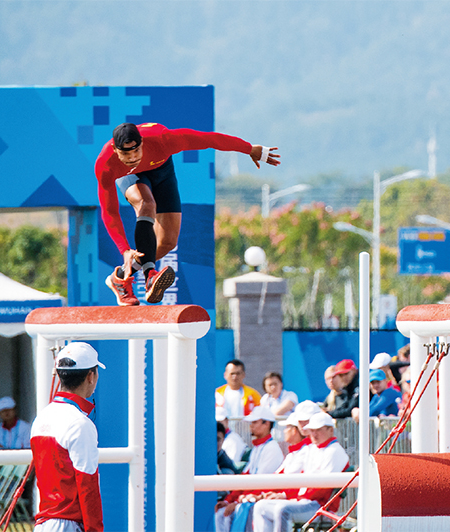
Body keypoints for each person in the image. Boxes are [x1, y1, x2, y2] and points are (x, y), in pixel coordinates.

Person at [98, 122, 281, 306]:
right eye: (125, 154)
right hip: (131, 178)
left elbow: (209, 139)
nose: (131, 159)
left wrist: (249, 149)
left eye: (135, 152)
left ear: (142, 142)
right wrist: (125, 250)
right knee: (146, 203)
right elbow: (109, 210)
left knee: (168, 242)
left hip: (162, 170)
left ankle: (119, 277)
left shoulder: (164, 140)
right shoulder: (106, 165)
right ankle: (150, 276)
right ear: (115, 149)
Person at [31, 342, 105, 532]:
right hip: (69, 524)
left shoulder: (41, 418)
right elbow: (88, 486)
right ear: (91, 376)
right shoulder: (80, 423)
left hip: (44, 524)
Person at [252, 412, 350, 532]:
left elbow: (322, 489)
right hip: (306, 502)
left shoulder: (334, 451)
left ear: (330, 430)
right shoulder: (314, 449)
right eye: (312, 430)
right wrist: (288, 496)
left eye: (318, 430)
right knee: (260, 507)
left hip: (320, 506)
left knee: (283, 510)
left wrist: (294, 497)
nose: (313, 434)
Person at [214, 406, 284, 532]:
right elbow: (246, 478)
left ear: (266, 424)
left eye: (255, 422)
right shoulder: (258, 448)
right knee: (220, 514)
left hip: (257, 499)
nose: (251, 426)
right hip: (249, 498)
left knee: (233, 512)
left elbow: (260, 483)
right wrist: (229, 500)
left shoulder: (272, 448)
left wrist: (235, 501)